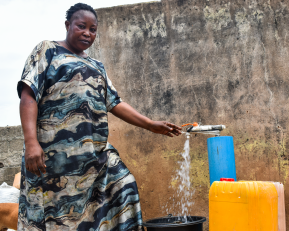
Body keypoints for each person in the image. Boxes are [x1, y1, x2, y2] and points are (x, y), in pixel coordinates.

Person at [17, 3, 181, 231]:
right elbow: (28, 96)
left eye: (93, 29)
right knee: (58, 219)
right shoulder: (48, 50)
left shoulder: (97, 66)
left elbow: (114, 102)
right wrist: (31, 142)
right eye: (81, 26)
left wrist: (151, 125)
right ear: (68, 25)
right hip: (53, 159)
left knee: (124, 185)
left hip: (94, 158)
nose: (87, 33)